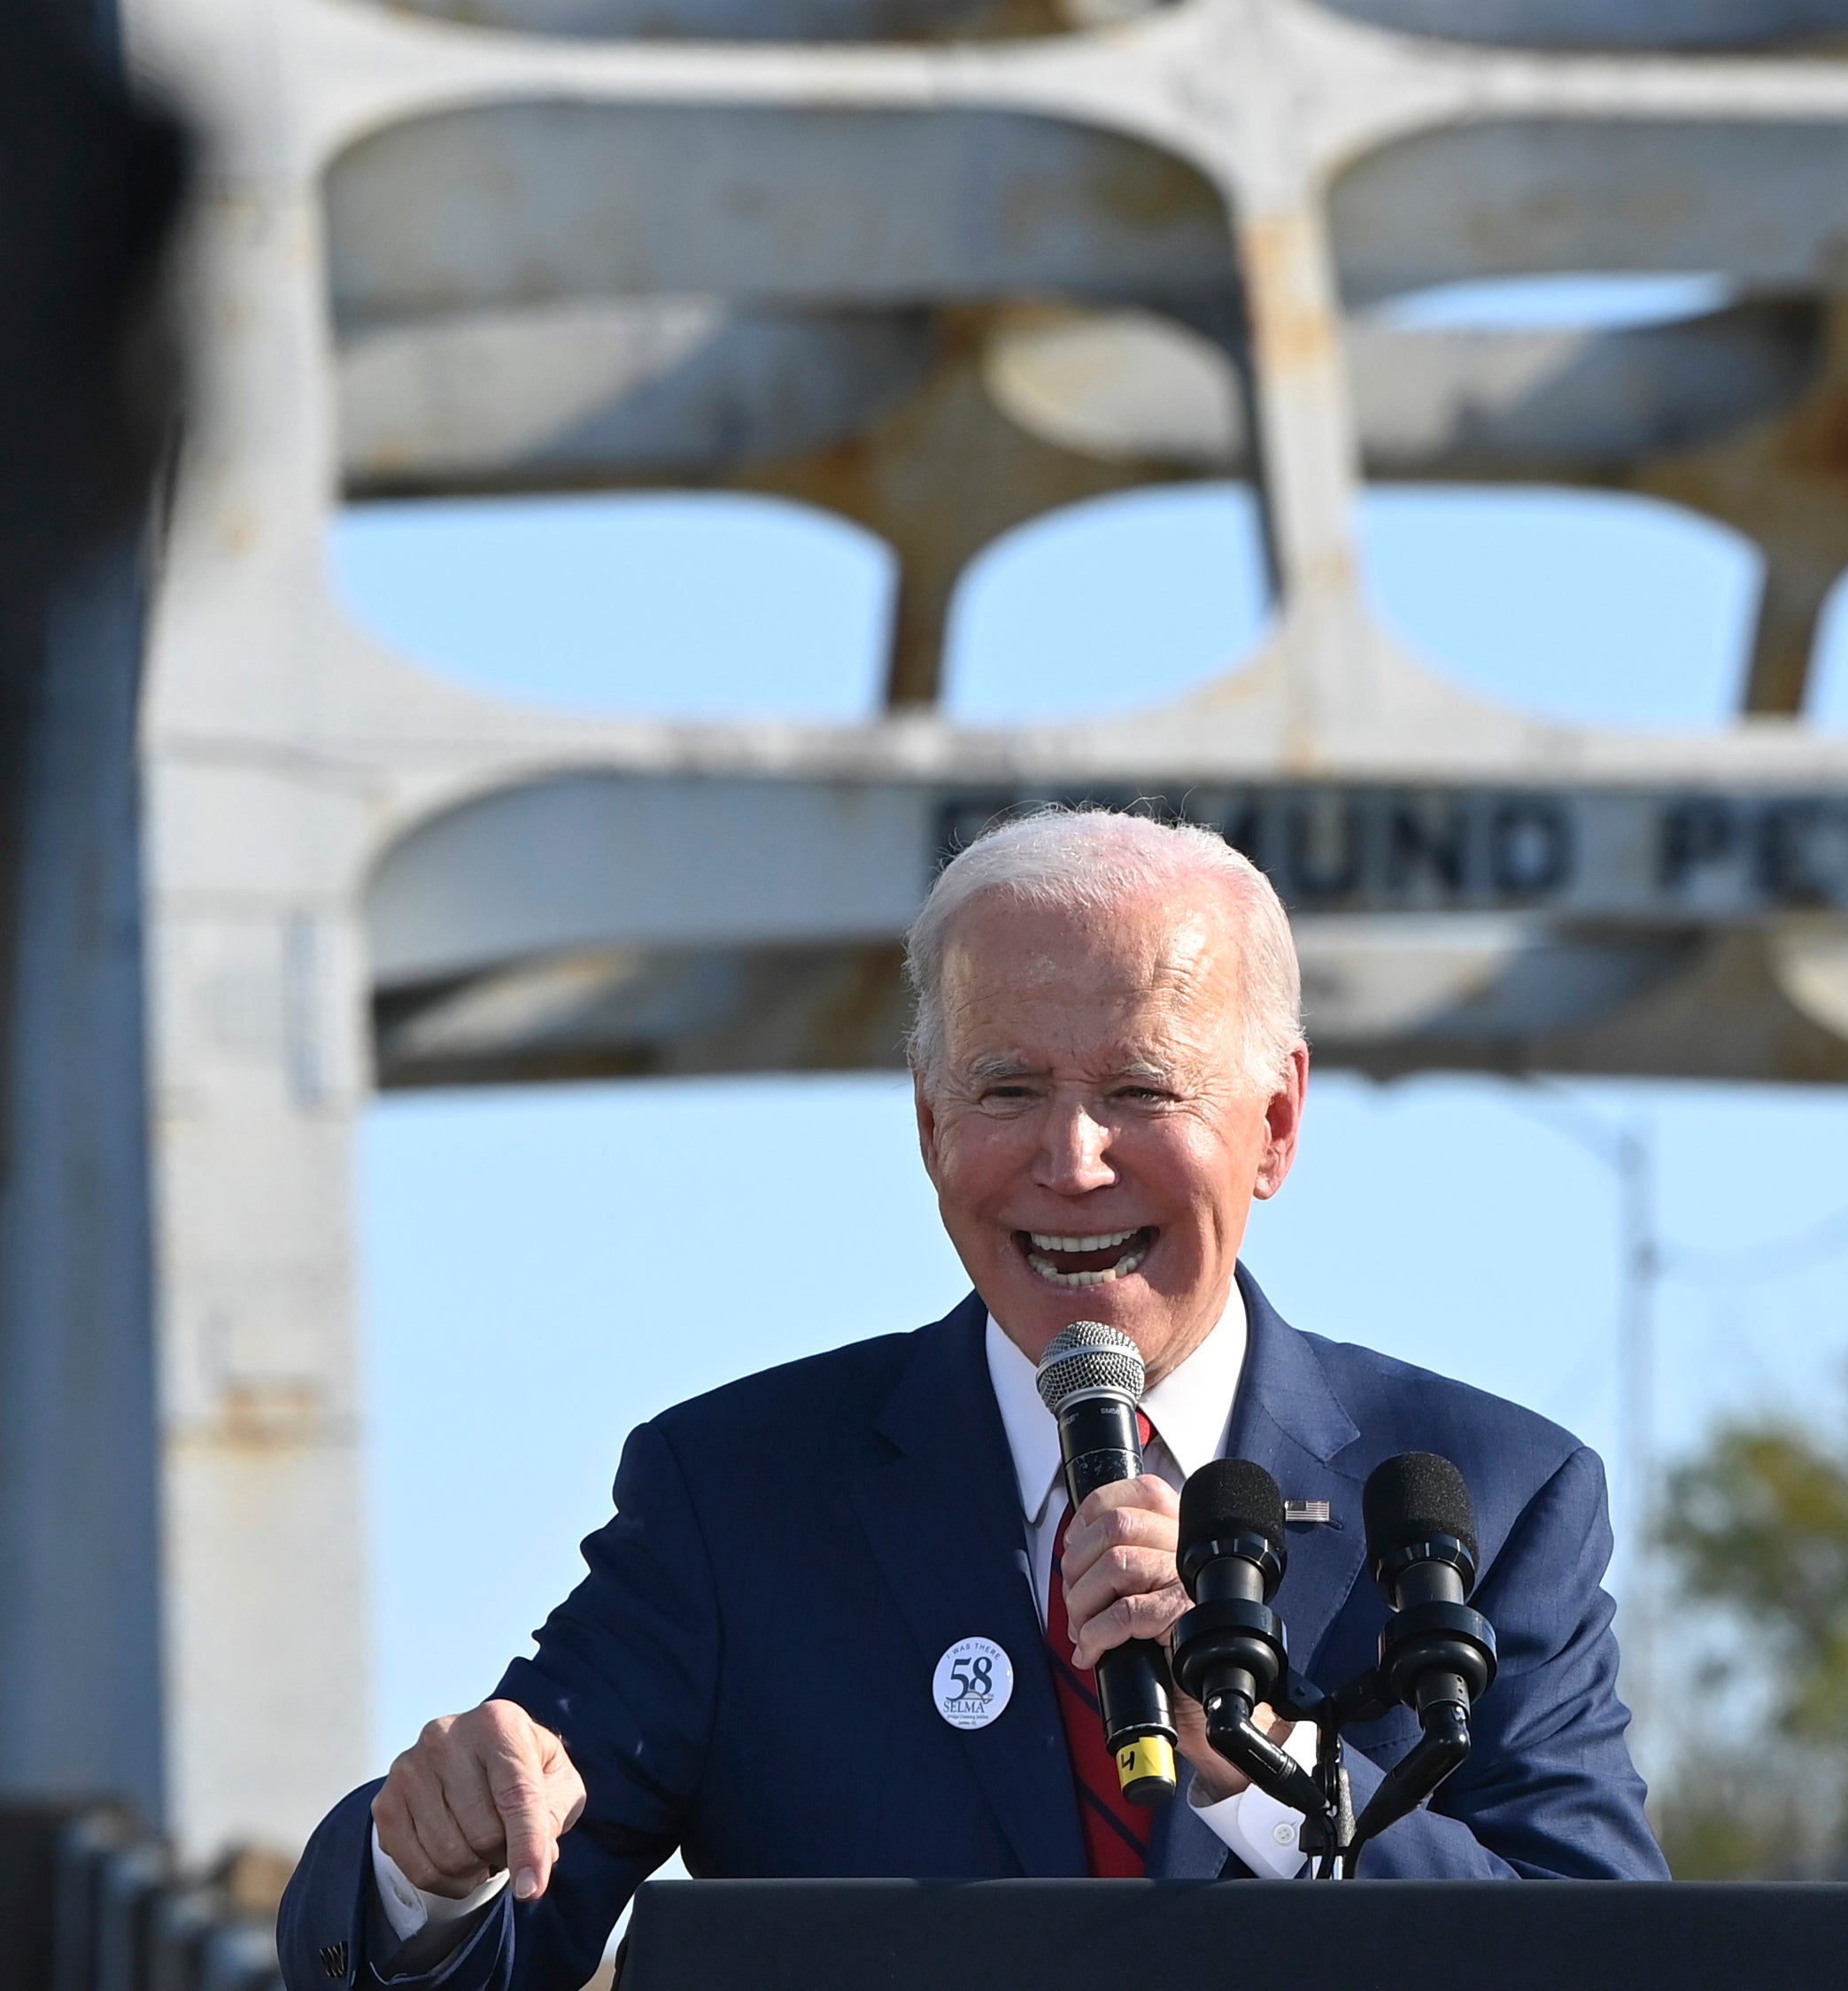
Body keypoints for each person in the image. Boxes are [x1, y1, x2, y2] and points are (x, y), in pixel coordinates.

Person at [275, 807, 1666, 1991]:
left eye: (1137, 1088)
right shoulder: (741, 1492)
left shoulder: (1487, 1495)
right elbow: (478, 1915)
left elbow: (1602, 1956)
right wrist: (424, 1864)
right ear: (929, 1123)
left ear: (1277, 1127)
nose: (1071, 1159)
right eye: (1006, 1087)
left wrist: (1260, 1764)